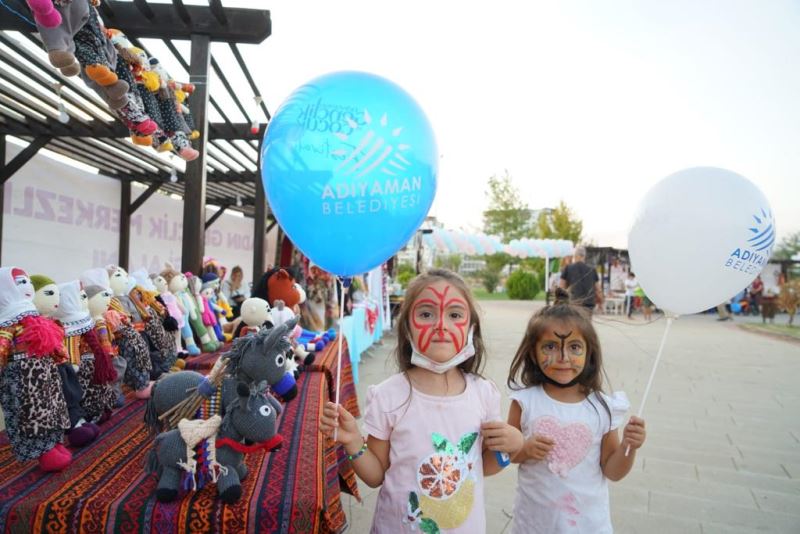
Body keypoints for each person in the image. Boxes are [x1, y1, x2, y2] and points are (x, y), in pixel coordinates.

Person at [320, 269, 523, 533]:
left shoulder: (484, 393)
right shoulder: (388, 395)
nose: (441, 325)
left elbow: (482, 467)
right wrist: (354, 442)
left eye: (455, 315)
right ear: (407, 328)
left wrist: (512, 447)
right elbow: (376, 476)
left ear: (471, 327)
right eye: (426, 314)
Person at [506, 299, 646, 532]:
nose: (563, 357)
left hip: (587, 525)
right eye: (550, 346)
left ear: (589, 353)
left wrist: (629, 447)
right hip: (534, 524)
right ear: (533, 352)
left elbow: (613, 470)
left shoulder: (602, 407)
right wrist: (525, 449)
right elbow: (507, 455)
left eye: (574, 347)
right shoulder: (524, 402)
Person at [559, 247, 602, 314]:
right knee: (586, 323)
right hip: (588, 304)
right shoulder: (592, 270)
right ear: (584, 256)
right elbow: (598, 289)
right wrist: (600, 302)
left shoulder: (568, 268)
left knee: (574, 323)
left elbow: (561, 288)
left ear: (575, 256)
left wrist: (560, 304)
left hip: (574, 303)